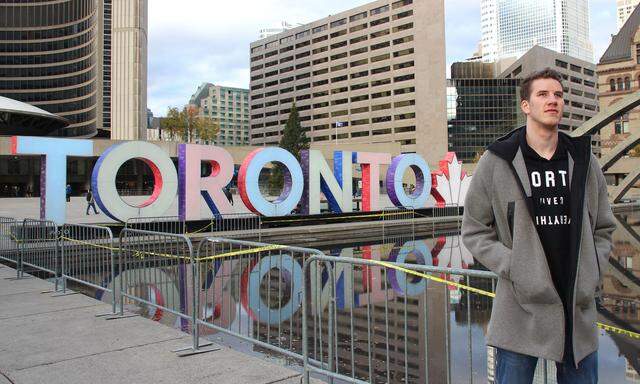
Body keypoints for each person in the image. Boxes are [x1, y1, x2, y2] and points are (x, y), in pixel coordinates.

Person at [461, 68, 616, 384]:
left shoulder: (583, 160)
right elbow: (475, 229)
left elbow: (604, 228)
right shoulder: (498, 161)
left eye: (558, 95)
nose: (553, 101)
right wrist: (514, 266)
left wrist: (592, 270)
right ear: (526, 105)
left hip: (577, 308)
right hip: (520, 309)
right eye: (543, 94)